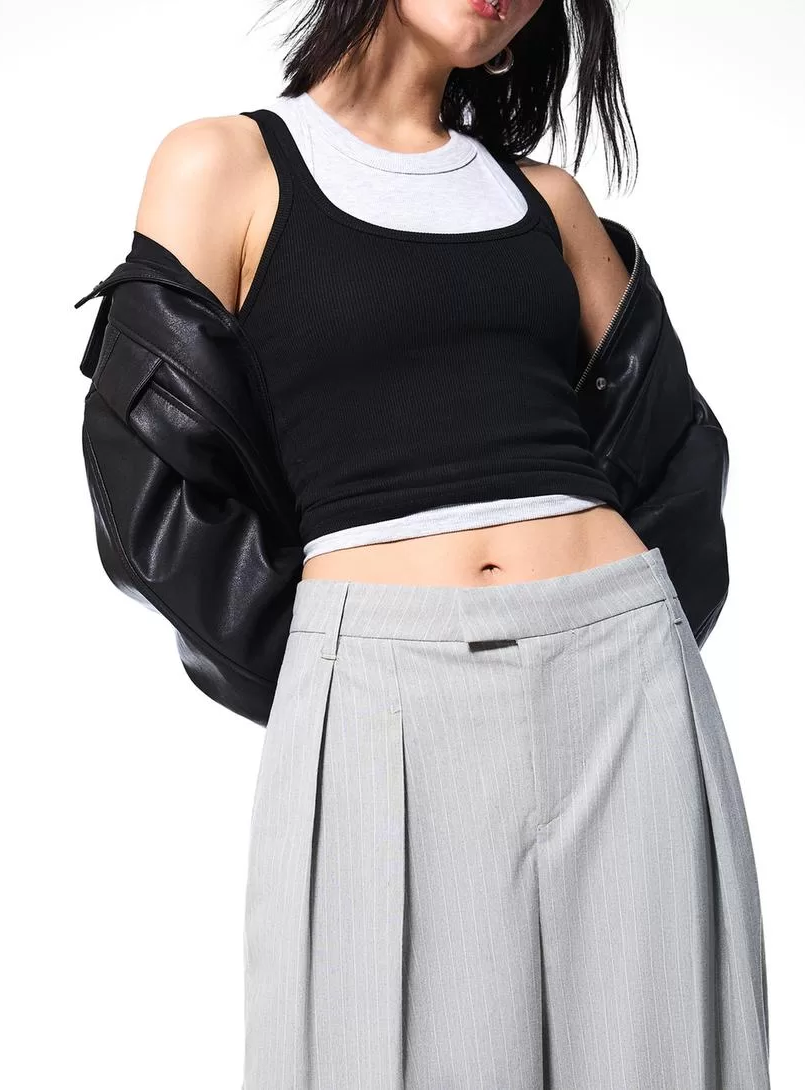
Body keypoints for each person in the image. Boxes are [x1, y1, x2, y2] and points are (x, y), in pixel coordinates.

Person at [129, 1, 771, 1086]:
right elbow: (146, 476)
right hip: (376, 690)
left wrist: (623, 629)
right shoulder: (224, 165)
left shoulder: (546, 203)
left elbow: (675, 455)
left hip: (623, 685)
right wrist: (331, 666)